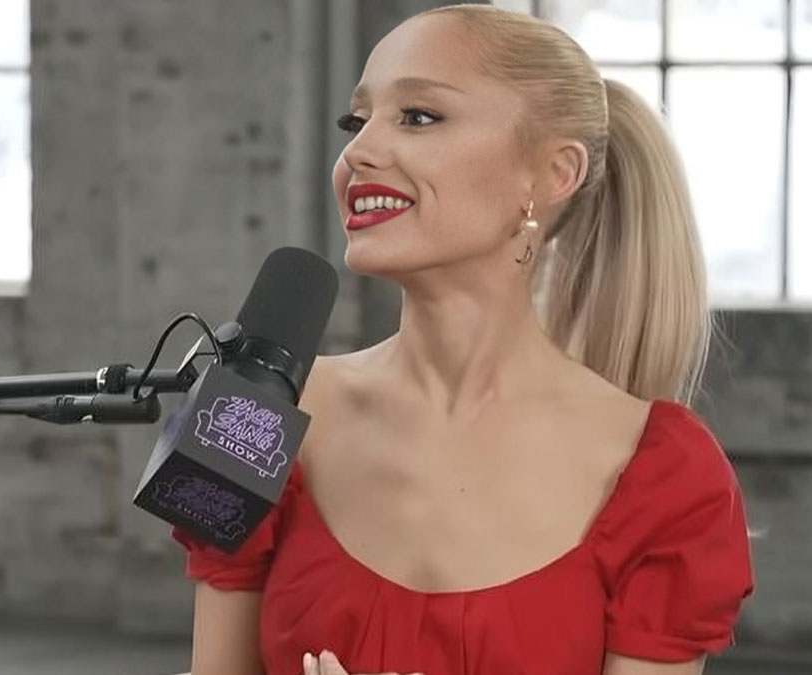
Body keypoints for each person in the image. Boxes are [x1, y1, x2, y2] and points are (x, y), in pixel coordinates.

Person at [173, 5, 754, 674]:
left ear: (552, 174)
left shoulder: (666, 475)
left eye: (419, 116)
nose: (357, 151)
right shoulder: (254, 416)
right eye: (356, 121)